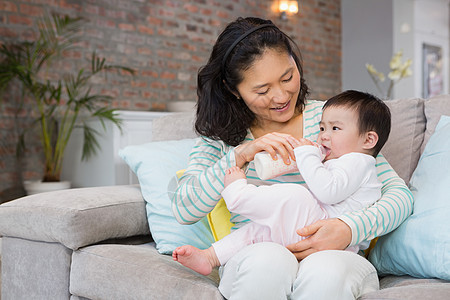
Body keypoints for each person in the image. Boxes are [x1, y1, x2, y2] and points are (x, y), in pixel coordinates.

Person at [171, 16, 413, 300]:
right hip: (256, 250)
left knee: (326, 274)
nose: (282, 95)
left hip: (334, 253)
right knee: (267, 263)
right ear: (232, 89)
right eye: (262, 90)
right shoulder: (221, 137)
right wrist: (240, 156)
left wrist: (349, 229)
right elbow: (184, 208)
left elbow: (399, 196)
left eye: (288, 77)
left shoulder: (330, 122)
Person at [172, 90, 391, 276]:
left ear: (368, 140)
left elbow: (328, 192)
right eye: (322, 128)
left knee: (297, 196)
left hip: (328, 230)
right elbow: (183, 207)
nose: (323, 135)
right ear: (234, 90)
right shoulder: (341, 156)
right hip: (307, 228)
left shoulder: (358, 161)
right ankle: (210, 256)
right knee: (258, 231)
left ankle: (238, 195)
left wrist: (307, 155)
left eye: (334, 129)